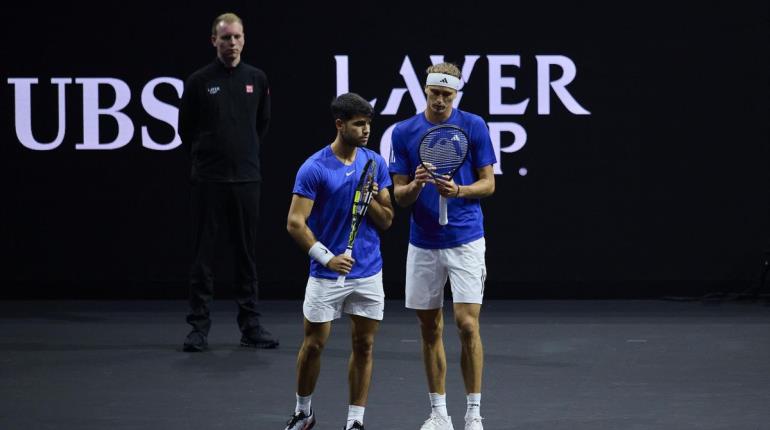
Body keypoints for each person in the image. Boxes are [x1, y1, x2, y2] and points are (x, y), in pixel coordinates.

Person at [389, 63, 496, 430]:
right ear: (425, 90)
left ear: (456, 95)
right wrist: (416, 186)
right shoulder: (404, 132)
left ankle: (474, 414)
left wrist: (459, 191)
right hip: (423, 243)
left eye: (446, 95)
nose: (439, 100)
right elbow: (399, 196)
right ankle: (439, 414)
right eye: (434, 93)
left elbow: (489, 184)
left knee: (467, 325)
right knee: (430, 329)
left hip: (466, 239)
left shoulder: (475, 126)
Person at [284, 93, 394, 430]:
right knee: (314, 345)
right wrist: (327, 258)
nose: (365, 131)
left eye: (368, 124)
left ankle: (355, 421)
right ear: (340, 125)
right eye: (359, 124)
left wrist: (371, 196)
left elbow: (387, 219)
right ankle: (304, 412)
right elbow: (295, 223)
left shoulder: (374, 163)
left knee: (364, 344)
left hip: (368, 272)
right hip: (326, 275)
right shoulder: (314, 168)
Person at [177, 12, 278, 352]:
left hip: (247, 179)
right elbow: (186, 130)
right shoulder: (198, 81)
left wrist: (242, 155)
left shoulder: (258, 79)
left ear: (244, 39)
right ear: (214, 41)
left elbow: (260, 125)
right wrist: (210, 159)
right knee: (203, 256)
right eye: (225, 38)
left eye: (236, 37)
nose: (231, 43)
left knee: (246, 255)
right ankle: (198, 328)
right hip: (209, 180)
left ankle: (251, 326)